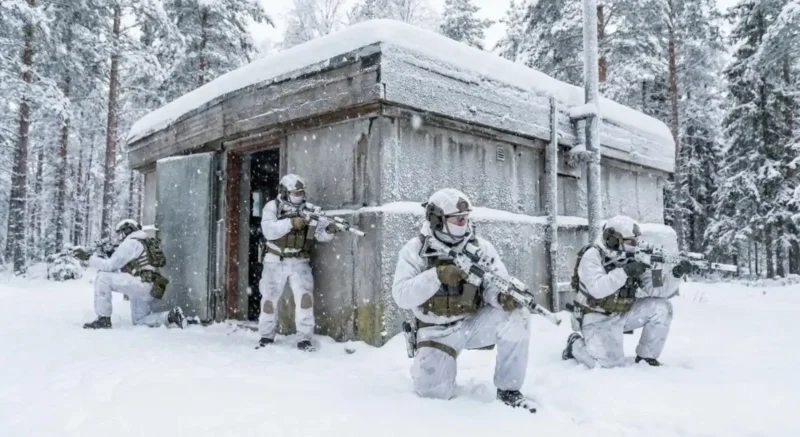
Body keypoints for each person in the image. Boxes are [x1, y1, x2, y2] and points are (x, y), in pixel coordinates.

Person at [391, 188, 536, 413]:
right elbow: (401, 295)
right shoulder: (415, 251)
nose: (464, 223)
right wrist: (436, 276)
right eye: (458, 219)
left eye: (466, 218)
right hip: (435, 330)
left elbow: (493, 283)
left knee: (517, 316)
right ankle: (427, 352)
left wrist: (501, 297)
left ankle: (509, 389)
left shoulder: (480, 248)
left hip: (471, 324)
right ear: (438, 221)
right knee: (433, 393)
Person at [561, 215, 692, 368]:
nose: (636, 245)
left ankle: (647, 357)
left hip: (623, 312)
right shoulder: (592, 255)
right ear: (614, 240)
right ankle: (574, 345)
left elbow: (656, 290)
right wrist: (625, 271)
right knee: (607, 366)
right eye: (632, 241)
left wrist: (674, 275)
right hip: (596, 316)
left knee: (662, 308)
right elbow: (597, 289)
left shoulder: (635, 255)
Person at [256, 174, 339, 352]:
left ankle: (304, 339)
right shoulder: (273, 207)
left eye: (301, 192)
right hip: (275, 260)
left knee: (305, 301)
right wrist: (292, 222)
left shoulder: (310, 209)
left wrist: (329, 231)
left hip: (300, 261)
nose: (299, 196)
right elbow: (269, 231)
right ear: (285, 192)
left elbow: (318, 235)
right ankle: (266, 336)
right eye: (295, 193)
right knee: (269, 300)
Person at [79, 219, 184, 329]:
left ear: (128, 230)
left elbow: (109, 266)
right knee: (140, 321)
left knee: (103, 278)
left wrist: (88, 258)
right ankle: (171, 316)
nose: (120, 237)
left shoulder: (131, 242)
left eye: (121, 233)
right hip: (149, 287)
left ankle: (103, 319)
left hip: (140, 283)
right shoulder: (144, 241)